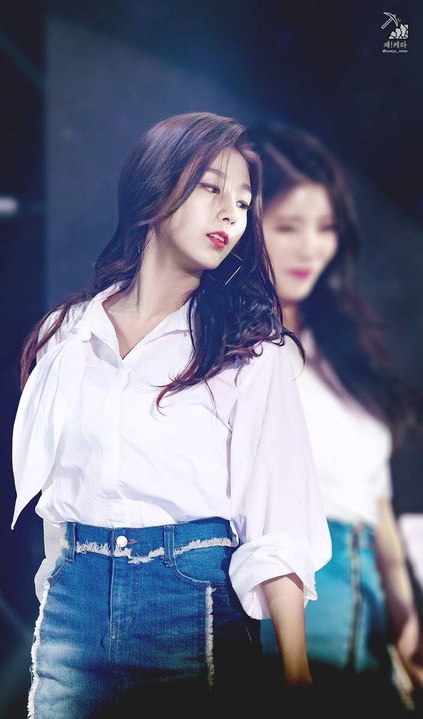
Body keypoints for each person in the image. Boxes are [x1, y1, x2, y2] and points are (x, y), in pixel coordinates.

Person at [11, 111, 331, 718]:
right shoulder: (68, 335)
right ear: (156, 188)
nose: (231, 214)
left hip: (192, 605)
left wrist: (296, 674)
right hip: (74, 612)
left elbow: (279, 523)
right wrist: (61, 582)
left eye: (244, 202)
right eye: (212, 188)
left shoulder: (249, 351)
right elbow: (57, 495)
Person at [248, 122, 423, 717]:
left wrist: (404, 612)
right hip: (276, 630)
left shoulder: (340, 350)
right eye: (287, 227)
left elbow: (375, 502)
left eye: (325, 228)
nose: (310, 249)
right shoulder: (225, 354)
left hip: (369, 635)